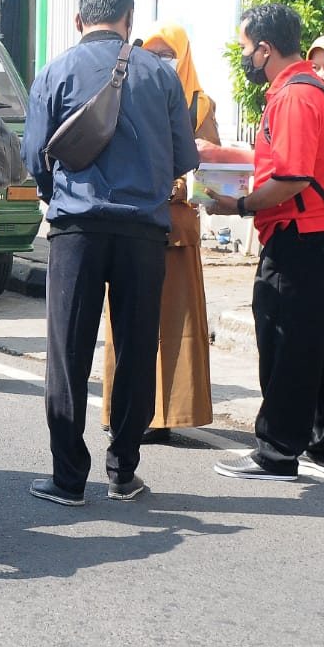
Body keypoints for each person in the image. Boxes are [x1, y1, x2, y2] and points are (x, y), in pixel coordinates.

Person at [20, 0, 199, 505]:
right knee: (138, 348)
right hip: (145, 231)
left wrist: (61, 198)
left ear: (80, 21)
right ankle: (123, 471)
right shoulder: (162, 75)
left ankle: (68, 478)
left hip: (78, 228)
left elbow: (36, 158)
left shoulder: (54, 72)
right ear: (130, 18)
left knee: (68, 353)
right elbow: (183, 159)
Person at [206, 2, 324, 480]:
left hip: (299, 234)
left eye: (247, 48)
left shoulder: (293, 95)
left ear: (266, 48)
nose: (246, 57)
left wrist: (239, 206)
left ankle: (276, 452)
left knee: (285, 342)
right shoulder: (315, 87)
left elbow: (291, 177)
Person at [101, 22, 216, 443]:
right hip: (133, 223)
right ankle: (128, 411)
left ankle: (169, 414)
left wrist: (180, 185)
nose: (163, 60)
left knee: (175, 323)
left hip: (177, 228)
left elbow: (212, 172)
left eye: (171, 54)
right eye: (155, 52)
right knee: (130, 323)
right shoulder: (129, 92)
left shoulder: (201, 106)